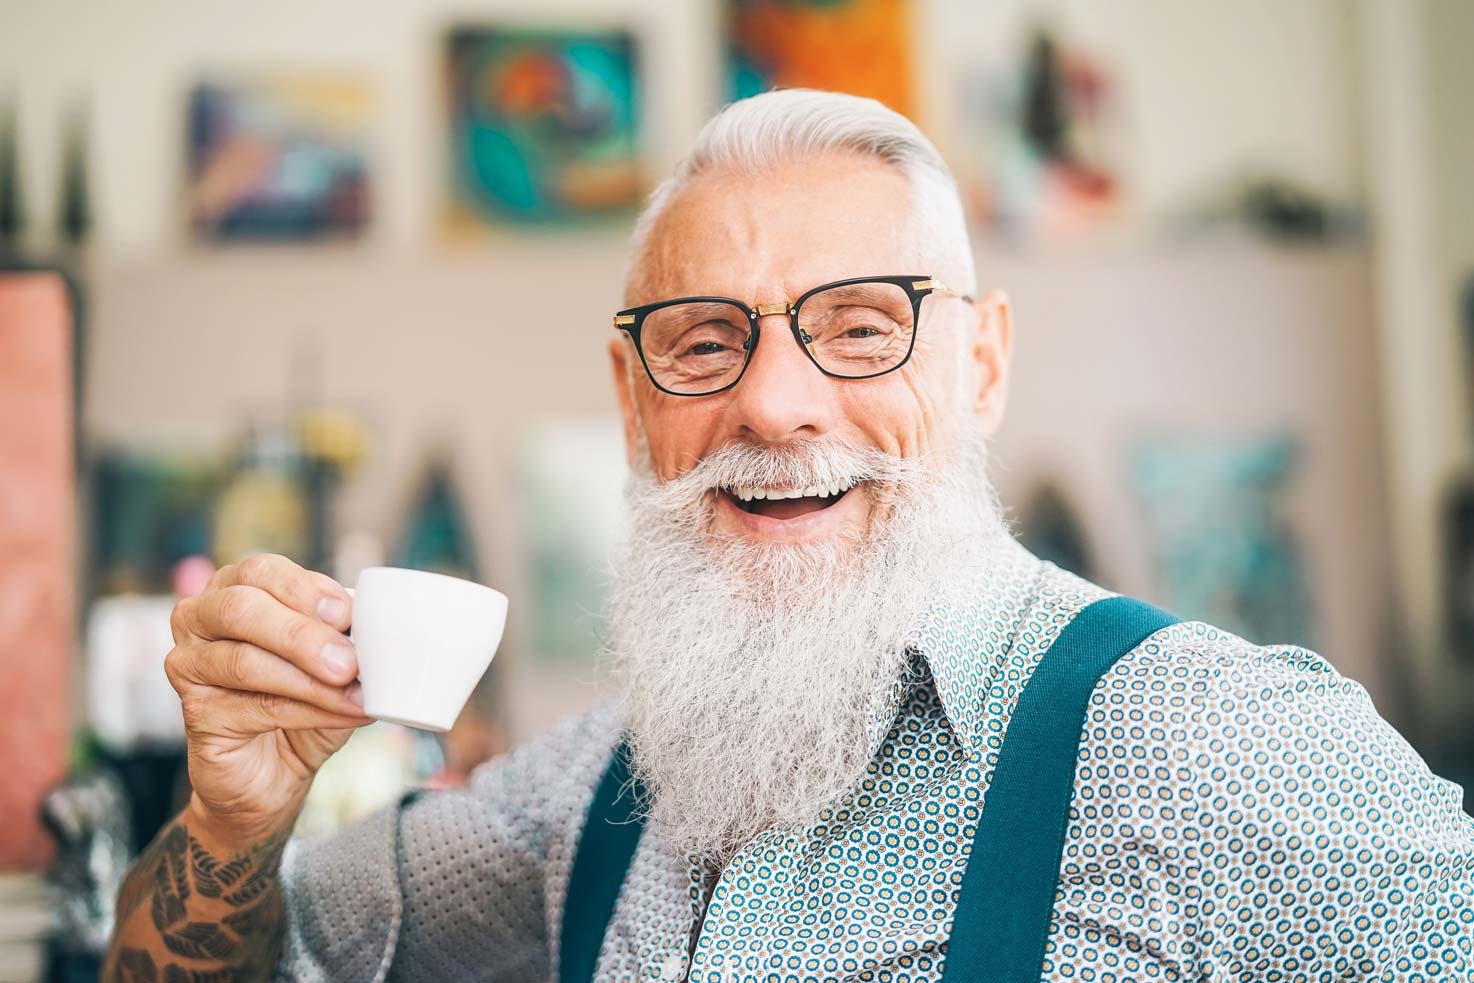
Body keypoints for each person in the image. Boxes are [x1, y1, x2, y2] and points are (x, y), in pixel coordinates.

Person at [104, 89, 1474, 983]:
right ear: (634, 402)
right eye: (702, 342)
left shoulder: (1214, 747)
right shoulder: (588, 801)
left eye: (862, 325)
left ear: (980, 365)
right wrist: (234, 820)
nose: (770, 401)